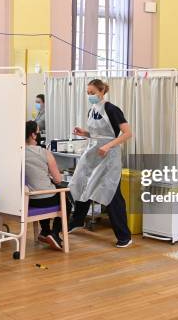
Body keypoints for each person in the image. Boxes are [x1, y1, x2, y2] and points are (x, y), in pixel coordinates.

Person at [68, 79, 133, 248]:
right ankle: (77, 221)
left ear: (102, 91)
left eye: (93, 93)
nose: (90, 96)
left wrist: (109, 145)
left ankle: (124, 235)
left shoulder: (112, 109)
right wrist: (85, 133)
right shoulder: (92, 110)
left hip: (109, 156)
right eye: (88, 93)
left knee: (110, 193)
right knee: (82, 184)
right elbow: (97, 134)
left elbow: (127, 134)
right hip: (93, 153)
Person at [25, 120, 71, 250]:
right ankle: (55, 234)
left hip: (29, 200)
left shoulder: (18, 152)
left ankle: (45, 231)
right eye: (39, 132)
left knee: (46, 190)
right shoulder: (44, 152)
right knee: (66, 203)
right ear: (33, 135)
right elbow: (57, 179)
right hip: (44, 199)